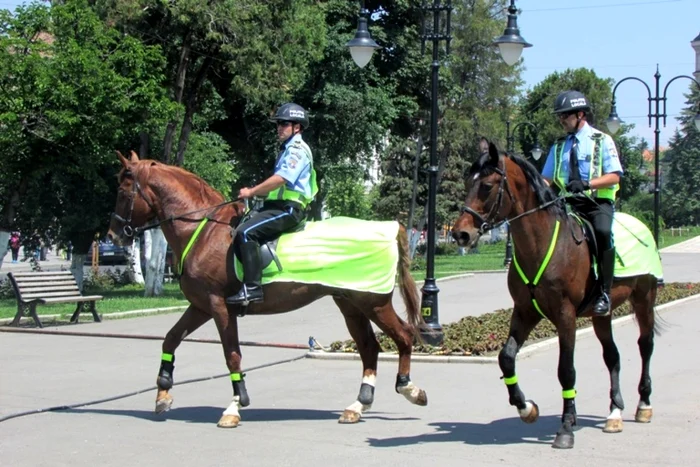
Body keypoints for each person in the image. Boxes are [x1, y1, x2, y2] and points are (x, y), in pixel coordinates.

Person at [541, 90, 623, 317]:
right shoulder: (558, 146)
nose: (561, 120)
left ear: (580, 115)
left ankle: (604, 293)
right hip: (568, 204)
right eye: (560, 116)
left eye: (565, 115)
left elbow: (615, 176)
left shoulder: (602, 140)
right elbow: (546, 179)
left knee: (603, 231)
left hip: (596, 203)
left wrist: (588, 184)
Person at [226, 103, 318, 305]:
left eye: (284, 124)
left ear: (297, 127)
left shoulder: (297, 150)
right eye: (278, 124)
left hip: (289, 210)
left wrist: (251, 191)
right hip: (278, 207)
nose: (279, 128)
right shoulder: (287, 149)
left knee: (246, 232)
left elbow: (282, 179)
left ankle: (252, 288)